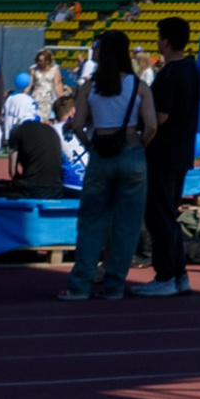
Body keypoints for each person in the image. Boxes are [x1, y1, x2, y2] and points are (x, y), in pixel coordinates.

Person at [60, 29, 157, 301]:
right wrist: (139, 146)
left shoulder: (89, 86)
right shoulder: (139, 85)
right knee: (127, 225)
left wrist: (91, 146)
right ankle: (114, 286)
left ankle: (80, 286)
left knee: (91, 222)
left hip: (101, 153)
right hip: (132, 153)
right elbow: (151, 125)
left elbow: (77, 125)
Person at [133, 17, 200, 298]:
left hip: (162, 154)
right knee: (168, 215)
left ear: (165, 41)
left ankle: (165, 275)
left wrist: (139, 133)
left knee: (159, 216)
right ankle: (178, 274)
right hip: (182, 152)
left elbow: (159, 118)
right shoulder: (192, 70)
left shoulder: (169, 74)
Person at [29, 47, 67, 120]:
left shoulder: (55, 70)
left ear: (47, 61)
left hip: (48, 97)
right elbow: (30, 84)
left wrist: (61, 100)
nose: (38, 63)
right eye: (37, 60)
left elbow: (57, 85)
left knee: (47, 117)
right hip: (37, 95)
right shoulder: (33, 69)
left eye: (41, 61)